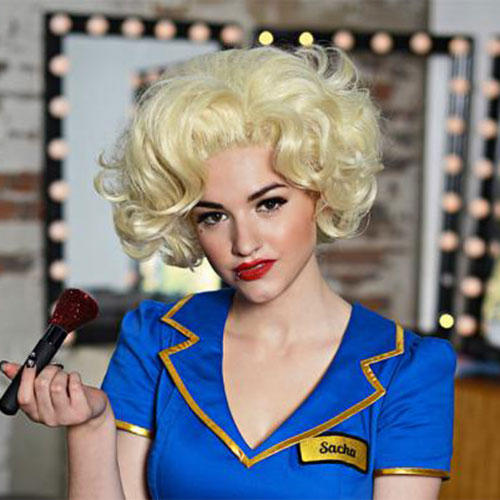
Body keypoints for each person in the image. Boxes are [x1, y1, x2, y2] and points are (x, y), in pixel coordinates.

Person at [2, 43, 456, 500]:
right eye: (213, 216)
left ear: (323, 192)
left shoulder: (407, 370)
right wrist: (90, 427)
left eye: (269, 203)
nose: (243, 243)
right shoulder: (155, 341)